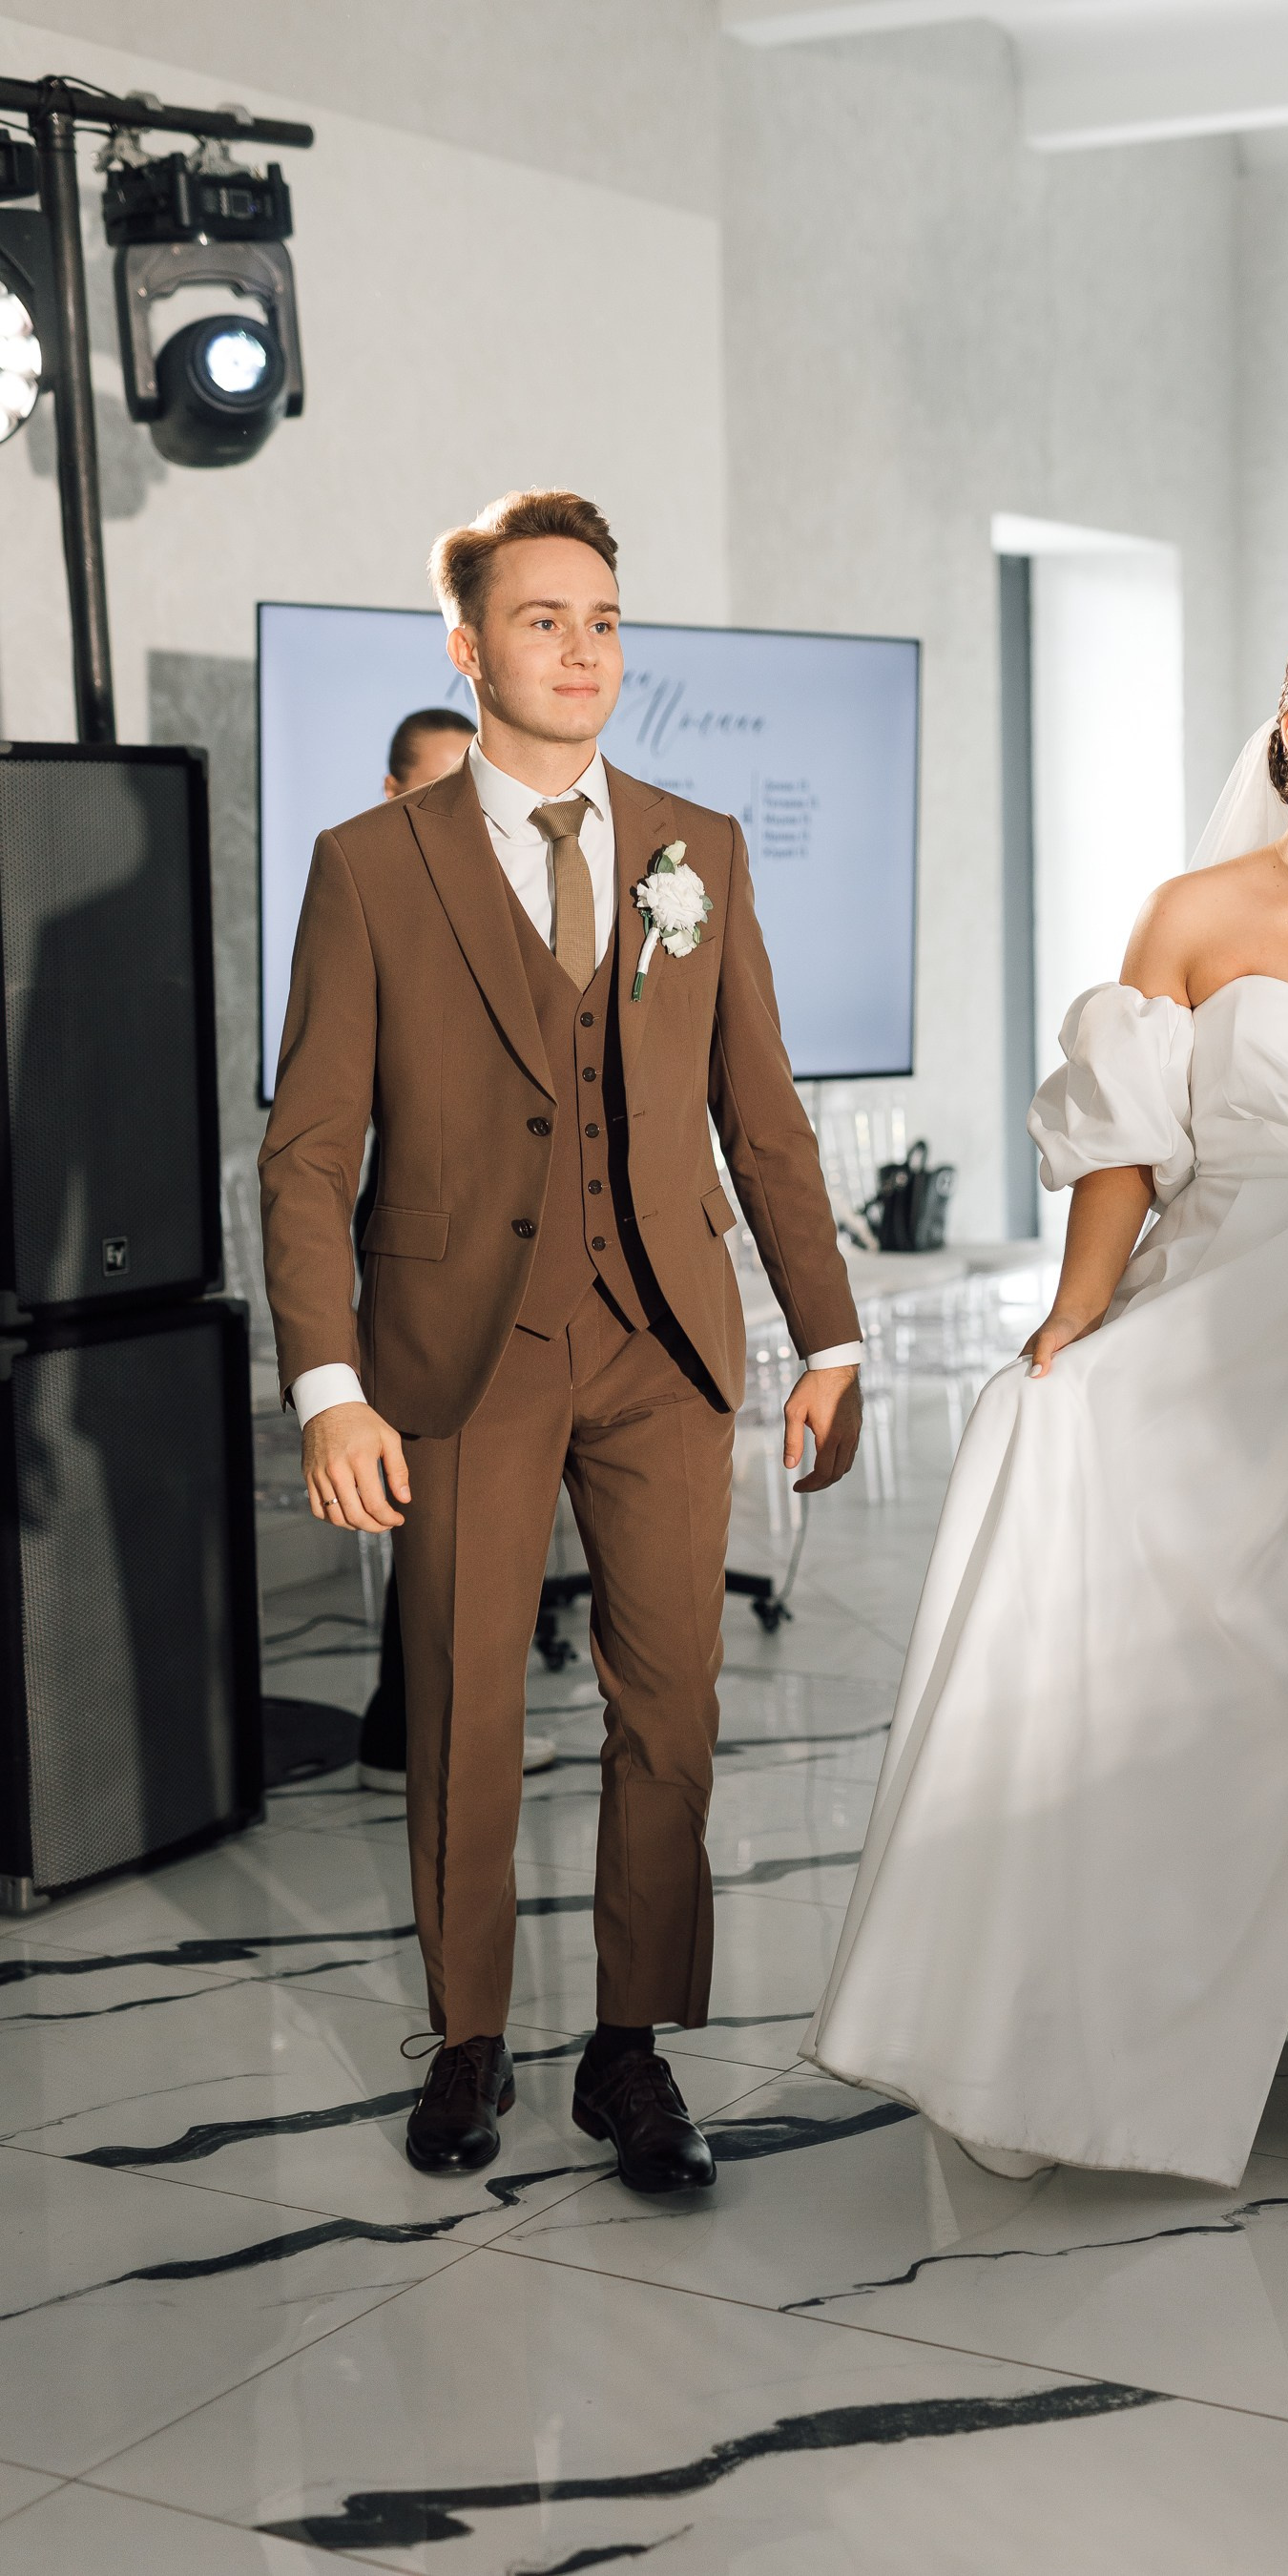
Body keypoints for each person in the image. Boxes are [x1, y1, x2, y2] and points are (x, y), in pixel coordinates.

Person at [806, 613, 1288, 2204]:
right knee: (1208, 1692)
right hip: (1229, 1317)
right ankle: (1102, 2030)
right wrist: (1072, 1320)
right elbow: (1127, 1148)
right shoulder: (1192, 914)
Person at [261, 488, 863, 2187]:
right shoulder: (371, 865)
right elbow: (308, 1151)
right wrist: (329, 1385)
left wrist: (828, 1337)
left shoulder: (697, 846)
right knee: (463, 1703)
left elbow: (763, 1116)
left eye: (603, 620)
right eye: (544, 620)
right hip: (458, 1348)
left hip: (664, 1341)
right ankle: (466, 2041)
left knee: (672, 1706)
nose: (583, 649)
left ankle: (629, 2051)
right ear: (470, 649)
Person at [353, 704, 557, 1792]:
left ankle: (415, 1722)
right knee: (432, 1501)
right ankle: (409, 1728)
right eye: (438, 789)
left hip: (534, 1243)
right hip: (428, 1235)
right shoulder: (368, 881)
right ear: (396, 793)